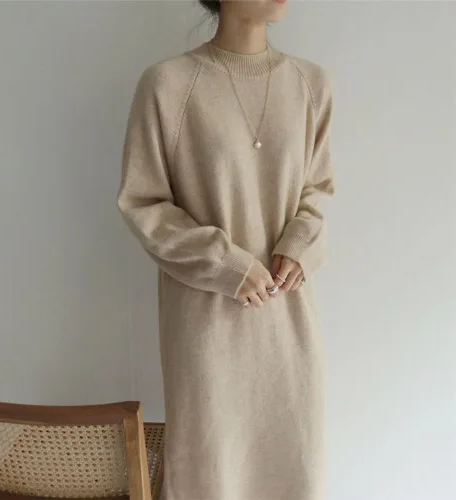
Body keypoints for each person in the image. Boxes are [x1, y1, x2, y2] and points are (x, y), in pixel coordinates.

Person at [117, 0, 335, 498]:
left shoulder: (312, 84)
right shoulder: (168, 85)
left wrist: (300, 243)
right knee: (211, 472)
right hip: (207, 327)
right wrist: (225, 263)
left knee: (295, 469)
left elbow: (319, 190)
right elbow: (143, 203)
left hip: (289, 323)